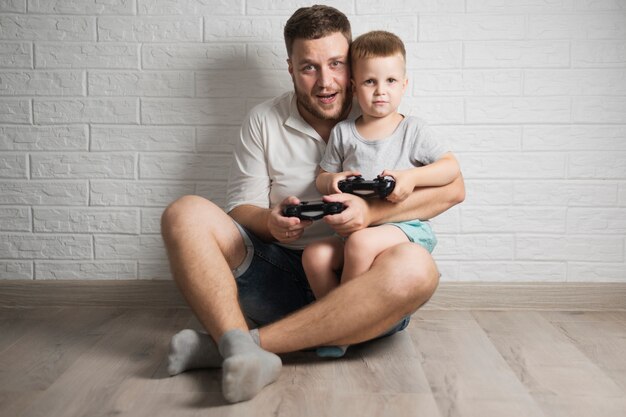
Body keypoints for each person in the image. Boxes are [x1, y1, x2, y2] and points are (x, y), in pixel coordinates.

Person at [160, 5, 465, 404]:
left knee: (418, 268)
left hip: (366, 286)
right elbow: (239, 208)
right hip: (282, 273)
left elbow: (453, 188)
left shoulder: (379, 104)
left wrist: (371, 214)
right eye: (309, 67)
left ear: (352, 63)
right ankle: (252, 344)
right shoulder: (263, 120)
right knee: (183, 213)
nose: (326, 82)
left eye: (336, 64)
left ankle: (235, 348)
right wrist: (273, 223)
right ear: (290, 68)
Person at [302, 31, 461, 356]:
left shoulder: (412, 130)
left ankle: (342, 327)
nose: (380, 91)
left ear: (404, 85)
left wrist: (412, 178)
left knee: (361, 243)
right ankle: (333, 318)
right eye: (370, 82)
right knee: (314, 256)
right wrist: (332, 181)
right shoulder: (344, 133)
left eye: (390, 81)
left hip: (405, 229)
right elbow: (321, 177)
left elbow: (450, 168)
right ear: (353, 86)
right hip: (355, 232)